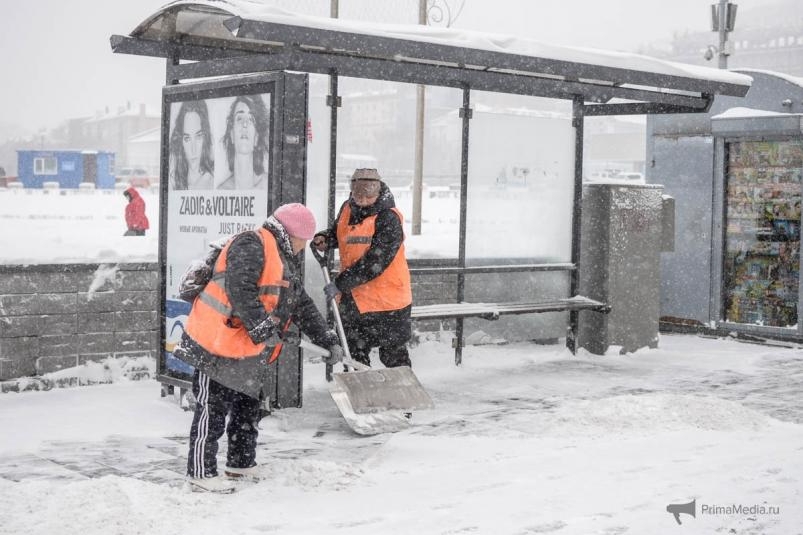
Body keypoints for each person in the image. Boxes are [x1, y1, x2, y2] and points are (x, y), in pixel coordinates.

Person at [173, 203, 344, 493]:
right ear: (292, 234)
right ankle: (200, 474)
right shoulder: (251, 243)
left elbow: (300, 303)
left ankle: (240, 465)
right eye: (303, 240)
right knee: (211, 410)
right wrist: (263, 329)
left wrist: (326, 338)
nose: (303, 248)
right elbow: (240, 288)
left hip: (243, 347)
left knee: (246, 408)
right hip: (213, 342)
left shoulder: (282, 257)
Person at [312, 168, 413, 369]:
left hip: (387, 302)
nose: (363, 197)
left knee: (393, 356)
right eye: (357, 190)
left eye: (369, 191)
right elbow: (340, 233)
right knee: (354, 355)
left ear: (379, 190)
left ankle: (402, 396)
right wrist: (326, 238)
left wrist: (340, 283)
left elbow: (375, 262)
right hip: (354, 300)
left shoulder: (388, 218)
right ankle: (361, 394)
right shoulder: (347, 208)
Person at [217, 95, 270, 190]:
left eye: (250, 119)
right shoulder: (221, 190)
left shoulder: (267, 185)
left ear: (256, 138)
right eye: (239, 118)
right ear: (232, 134)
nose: (244, 124)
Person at [169, 100, 215, 190]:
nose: (193, 149)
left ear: (205, 137)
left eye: (198, 137)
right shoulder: (176, 182)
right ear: (181, 142)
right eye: (187, 138)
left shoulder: (213, 180)